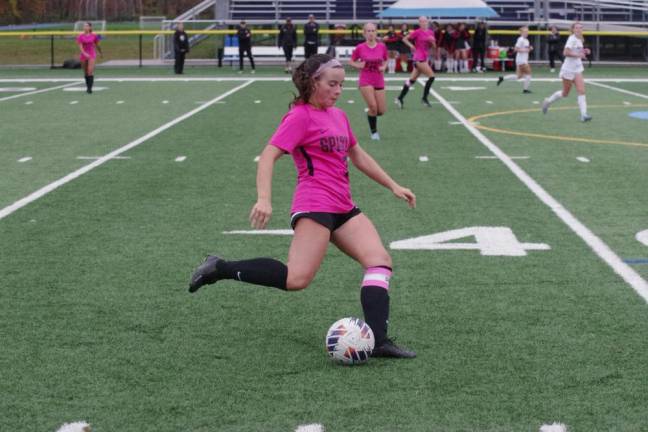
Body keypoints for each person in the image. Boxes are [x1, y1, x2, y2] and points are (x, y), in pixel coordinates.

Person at [188, 54, 417, 359]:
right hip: (314, 205)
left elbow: (358, 155)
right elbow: (268, 155)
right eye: (332, 84)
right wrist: (264, 198)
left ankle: (378, 340)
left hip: (343, 206)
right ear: (313, 82)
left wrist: (393, 185)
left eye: (342, 85)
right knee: (297, 279)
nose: (338, 91)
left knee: (379, 261)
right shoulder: (299, 117)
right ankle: (220, 268)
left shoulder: (338, 116)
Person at [542, 22, 592, 122]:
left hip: (577, 68)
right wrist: (579, 55)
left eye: (580, 28)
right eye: (577, 28)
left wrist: (585, 51)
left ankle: (583, 115)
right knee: (565, 93)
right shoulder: (571, 39)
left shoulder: (580, 39)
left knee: (581, 91)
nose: (579, 29)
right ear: (573, 30)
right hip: (568, 69)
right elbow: (566, 52)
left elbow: (577, 51)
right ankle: (548, 101)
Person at [350, 22, 388, 140]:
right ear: (364, 33)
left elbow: (386, 59)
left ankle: (370, 114)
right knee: (373, 106)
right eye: (368, 31)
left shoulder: (382, 46)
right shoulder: (360, 47)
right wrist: (358, 65)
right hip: (366, 79)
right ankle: (374, 132)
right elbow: (351, 61)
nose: (371, 33)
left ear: (376, 32)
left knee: (380, 111)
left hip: (378, 79)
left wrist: (384, 67)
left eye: (373, 31)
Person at [396, 16, 436, 108]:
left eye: (425, 21)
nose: (423, 23)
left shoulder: (430, 32)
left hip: (424, 57)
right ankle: (424, 98)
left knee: (411, 81)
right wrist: (411, 46)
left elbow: (434, 46)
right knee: (432, 77)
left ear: (427, 22)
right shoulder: (417, 32)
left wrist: (432, 41)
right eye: (421, 21)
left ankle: (400, 98)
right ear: (419, 23)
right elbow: (404, 39)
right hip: (418, 58)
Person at [497, 26, 533, 93]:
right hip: (521, 60)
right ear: (521, 33)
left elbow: (526, 48)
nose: (527, 33)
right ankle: (525, 89)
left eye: (527, 31)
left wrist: (529, 48)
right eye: (525, 32)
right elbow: (516, 49)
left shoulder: (526, 40)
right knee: (528, 73)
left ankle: (502, 78)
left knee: (518, 76)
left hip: (523, 60)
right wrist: (526, 50)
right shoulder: (520, 39)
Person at [76, 22, 100, 94]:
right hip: (83, 55)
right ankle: (87, 86)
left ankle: (90, 88)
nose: (85, 27)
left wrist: (99, 52)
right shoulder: (80, 36)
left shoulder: (94, 36)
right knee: (85, 72)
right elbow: (80, 46)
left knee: (90, 71)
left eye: (86, 26)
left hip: (92, 54)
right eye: (84, 26)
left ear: (90, 27)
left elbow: (97, 44)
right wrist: (84, 53)